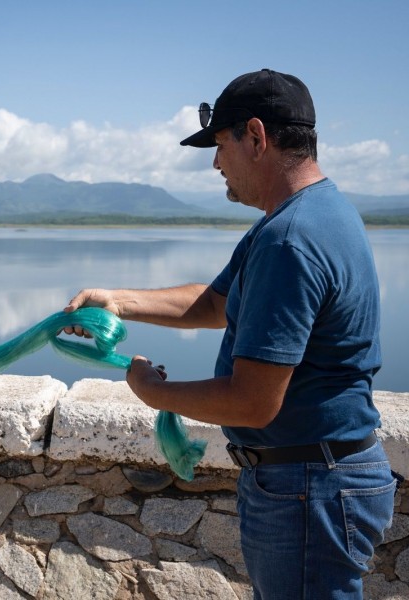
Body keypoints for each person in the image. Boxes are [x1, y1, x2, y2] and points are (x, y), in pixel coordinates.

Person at [63, 69, 397, 599]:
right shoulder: (311, 215)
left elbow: (252, 402)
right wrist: (120, 301)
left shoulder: (289, 239)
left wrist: (155, 393)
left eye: (221, 144)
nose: (216, 163)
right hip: (319, 477)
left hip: (309, 487)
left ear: (257, 138)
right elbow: (217, 303)